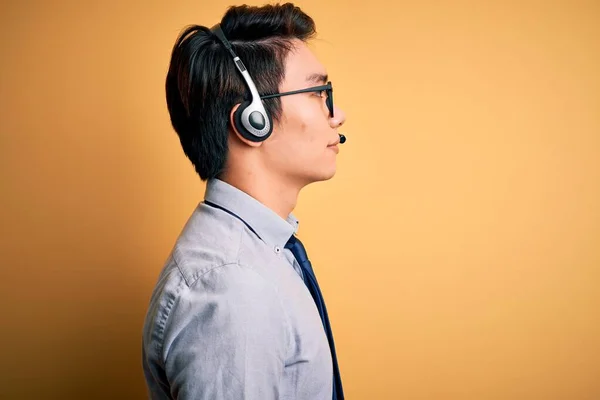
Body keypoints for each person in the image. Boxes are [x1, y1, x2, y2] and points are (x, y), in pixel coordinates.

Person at [141, 3, 347, 399]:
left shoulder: (263, 255)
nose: (338, 115)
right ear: (254, 119)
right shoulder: (232, 289)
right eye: (319, 92)